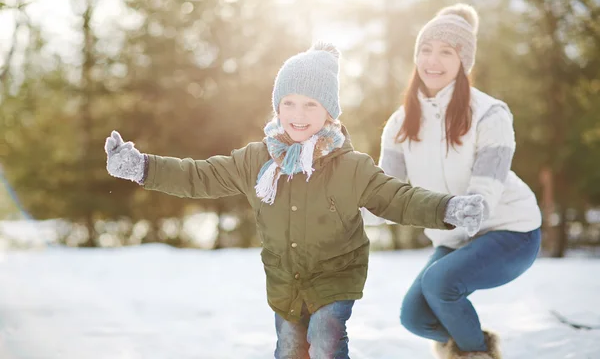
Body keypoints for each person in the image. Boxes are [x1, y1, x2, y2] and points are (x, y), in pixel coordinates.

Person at [104, 41, 485, 359]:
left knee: (324, 338)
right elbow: (199, 175)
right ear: (277, 107)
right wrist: (142, 167)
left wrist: (446, 208)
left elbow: (398, 198)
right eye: (289, 103)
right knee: (288, 348)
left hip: (335, 279)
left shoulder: (351, 167)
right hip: (286, 282)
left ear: (329, 114)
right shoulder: (257, 160)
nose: (298, 115)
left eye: (310, 105)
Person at [365, 4, 542, 359]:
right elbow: (387, 195)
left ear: (464, 62)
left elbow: (487, 186)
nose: (434, 60)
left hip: (511, 231)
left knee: (440, 283)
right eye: (426, 49)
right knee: (414, 317)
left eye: (447, 51)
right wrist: (343, 217)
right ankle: (472, 341)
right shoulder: (400, 124)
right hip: (456, 239)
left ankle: (476, 353)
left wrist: (465, 209)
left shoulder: (490, 113)